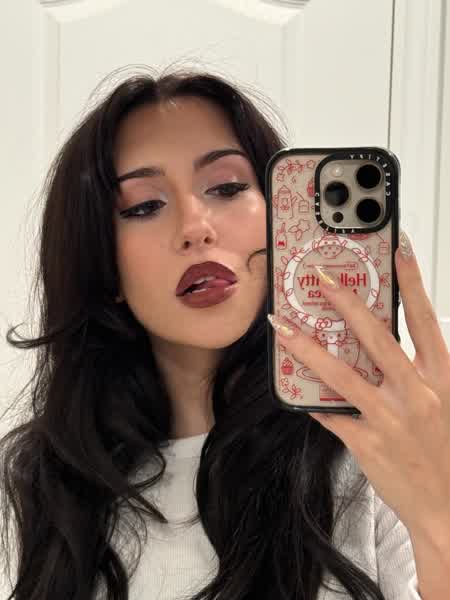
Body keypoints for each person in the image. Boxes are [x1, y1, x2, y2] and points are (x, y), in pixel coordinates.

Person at [1, 64, 438, 600]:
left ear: (282, 216)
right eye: (144, 206)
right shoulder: (50, 481)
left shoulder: (374, 448)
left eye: (227, 187)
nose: (194, 226)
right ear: (103, 264)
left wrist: (438, 514)